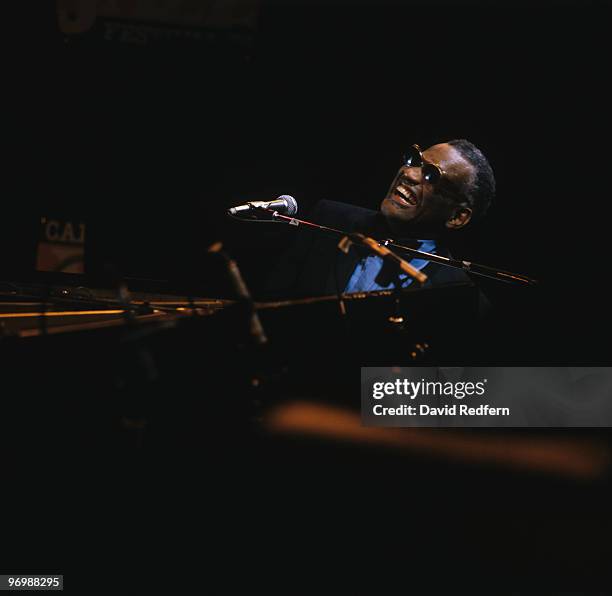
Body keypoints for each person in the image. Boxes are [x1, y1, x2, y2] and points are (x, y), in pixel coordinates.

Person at [265, 139, 495, 299]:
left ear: (457, 216)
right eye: (414, 160)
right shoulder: (329, 219)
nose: (408, 173)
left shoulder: (456, 293)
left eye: (431, 175)